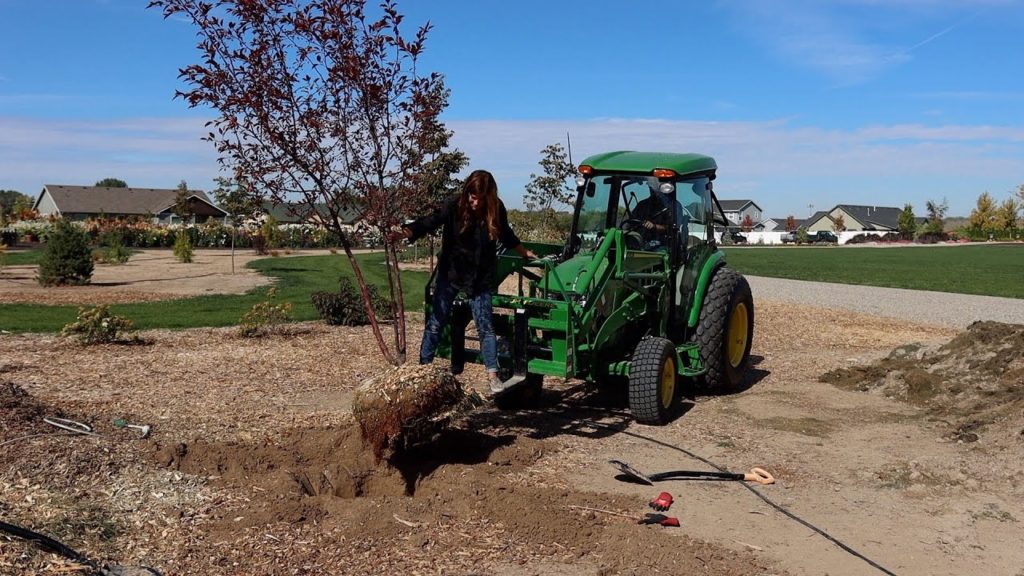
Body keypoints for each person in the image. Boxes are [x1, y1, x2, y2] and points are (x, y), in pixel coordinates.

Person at [395, 170, 536, 393]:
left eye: (480, 198)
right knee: (436, 321)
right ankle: (422, 370)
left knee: (485, 326)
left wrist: (524, 252)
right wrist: (408, 231)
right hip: (452, 272)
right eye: (472, 196)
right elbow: (431, 221)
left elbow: (507, 235)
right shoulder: (453, 205)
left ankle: (493, 376)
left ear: (488, 196)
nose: (475, 201)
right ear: (467, 192)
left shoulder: (496, 209)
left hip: (480, 277)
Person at [631, 177, 684, 248]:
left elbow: (673, 228)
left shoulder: (674, 206)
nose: (653, 191)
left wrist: (654, 226)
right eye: (651, 188)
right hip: (641, 245)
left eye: (655, 189)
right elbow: (630, 222)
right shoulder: (642, 205)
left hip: (664, 247)